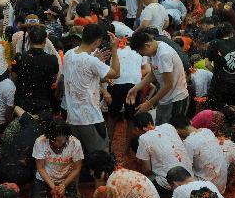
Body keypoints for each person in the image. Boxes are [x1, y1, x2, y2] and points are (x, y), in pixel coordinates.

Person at [62, 23, 120, 154]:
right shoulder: (91, 61)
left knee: (79, 156)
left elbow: (81, 76)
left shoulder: (68, 55)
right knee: (101, 155)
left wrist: (95, 61)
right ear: (98, 41)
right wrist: (115, 50)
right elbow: (116, 73)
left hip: (73, 118)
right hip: (91, 117)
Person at [127, 30, 189, 125]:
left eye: (142, 53)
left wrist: (149, 103)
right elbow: (153, 73)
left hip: (176, 98)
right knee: (160, 128)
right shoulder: (154, 49)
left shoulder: (164, 54)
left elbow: (169, 84)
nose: (142, 55)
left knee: (172, 132)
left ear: (147, 45)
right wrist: (135, 88)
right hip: (165, 97)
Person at [31, 118, 84, 198]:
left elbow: (77, 168)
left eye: (61, 140)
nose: (58, 143)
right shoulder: (40, 141)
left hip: (65, 180)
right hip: (44, 180)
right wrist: (54, 188)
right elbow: (40, 168)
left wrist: (63, 185)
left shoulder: (75, 143)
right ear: (49, 137)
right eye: (55, 140)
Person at [134, 111, 190, 190]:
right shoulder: (168, 126)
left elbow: (147, 169)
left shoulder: (144, 138)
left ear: (137, 129)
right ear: (151, 122)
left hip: (170, 182)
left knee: (141, 184)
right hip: (189, 175)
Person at [172, 115, 228, 191]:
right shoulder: (207, 131)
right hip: (221, 183)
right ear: (190, 122)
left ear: (177, 131)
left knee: (176, 175)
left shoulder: (188, 142)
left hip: (208, 188)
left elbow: (186, 168)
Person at [14, 25, 59, 114]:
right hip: (44, 103)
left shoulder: (19, 58)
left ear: (29, 41)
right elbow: (54, 77)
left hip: (22, 105)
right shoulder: (52, 59)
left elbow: (15, 77)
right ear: (45, 41)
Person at [206, 23, 235, 108]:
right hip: (234, 82)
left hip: (219, 82)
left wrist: (216, 72)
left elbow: (207, 64)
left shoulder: (214, 43)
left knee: (217, 107)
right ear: (231, 31)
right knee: (233, 107)